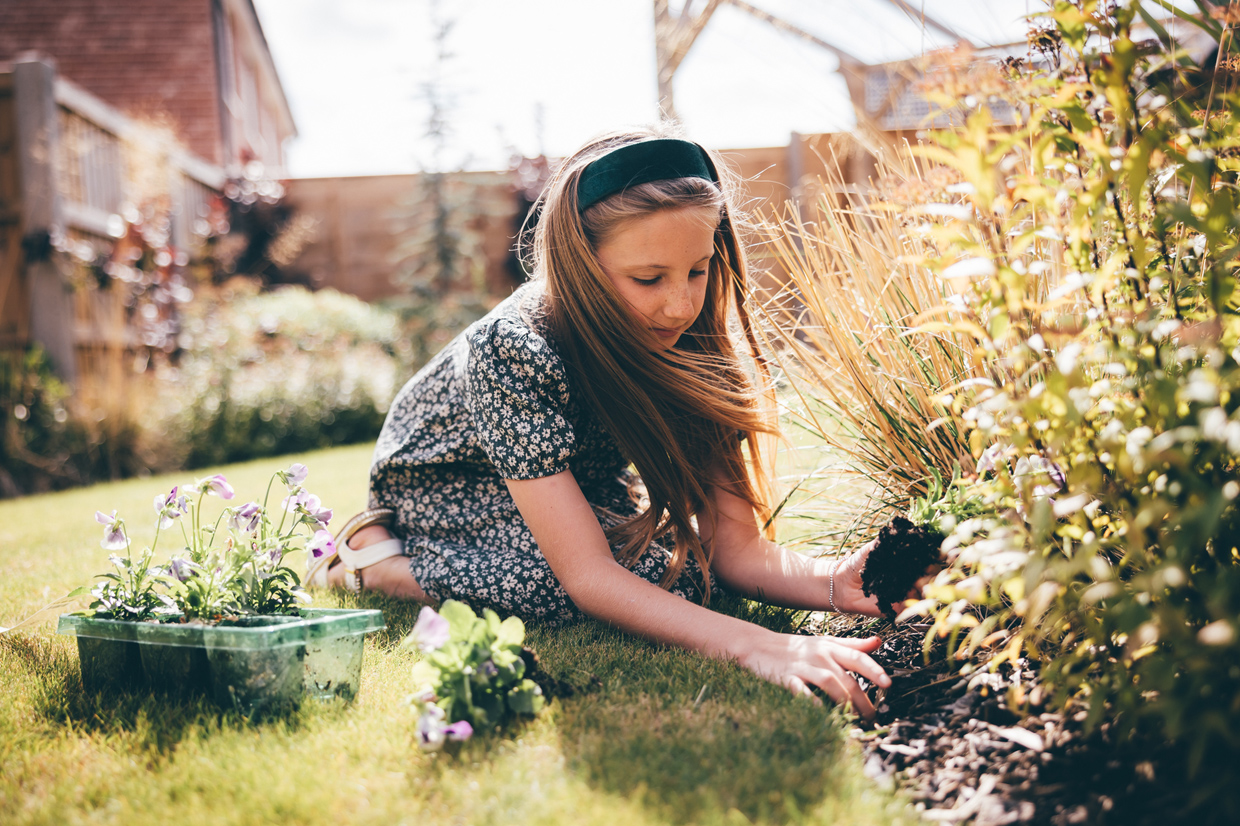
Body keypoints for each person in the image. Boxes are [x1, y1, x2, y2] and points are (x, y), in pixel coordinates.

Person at [308, 126, 894, 717]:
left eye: (698, 270)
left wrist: (834, 582)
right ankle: (380, 564)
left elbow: (733, 549)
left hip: (576, 477)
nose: (681, 304)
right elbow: (587, 577)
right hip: (451, 485)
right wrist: (759, 646)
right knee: (601, 585)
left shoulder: (693, 335)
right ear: (580, 266)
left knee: (684, 577)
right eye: (648, 278)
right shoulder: (511, 349)